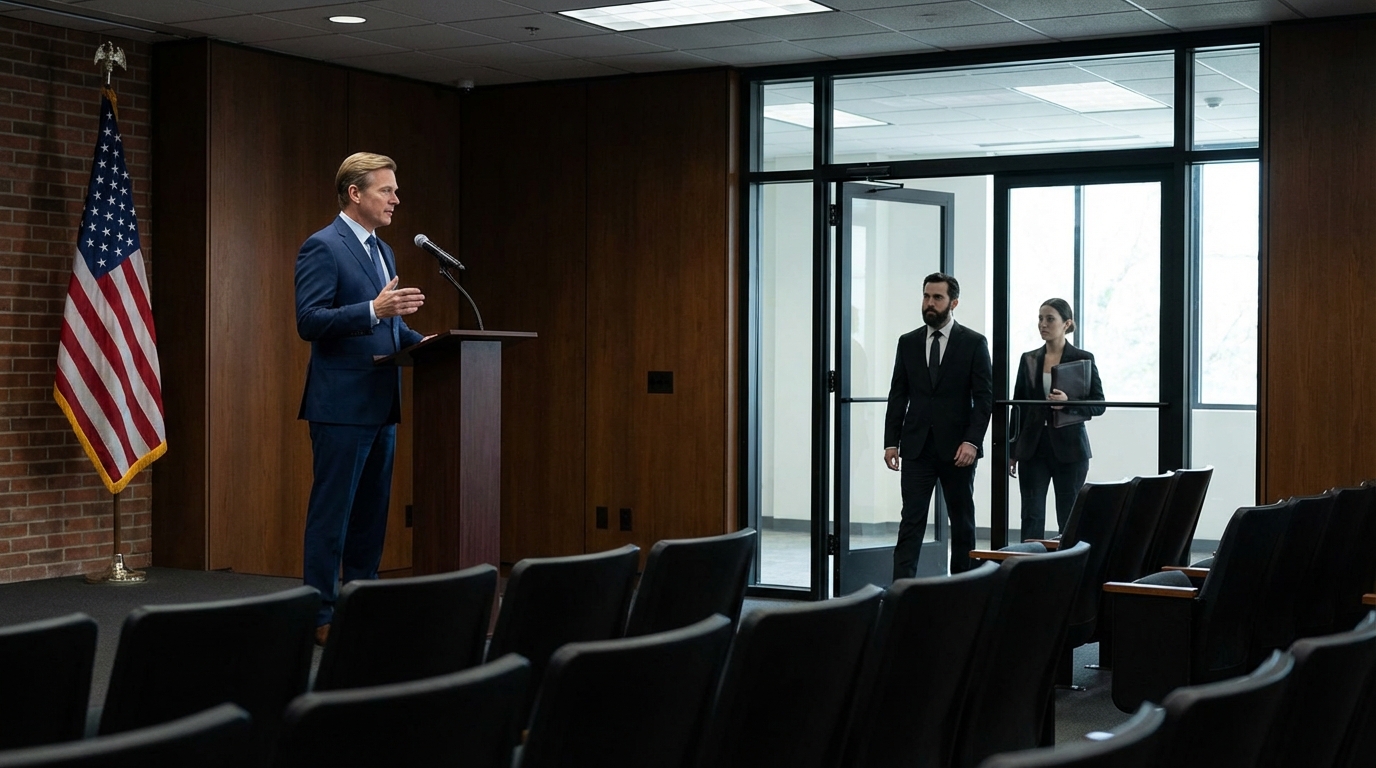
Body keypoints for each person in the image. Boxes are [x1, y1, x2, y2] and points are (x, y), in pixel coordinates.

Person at [295, 152, 427, 645]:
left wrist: (425, 342)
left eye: (395, 190)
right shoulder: (323, 247)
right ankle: (320, 614)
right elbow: (309, 321)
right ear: (355, 193)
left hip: (381, 402)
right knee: (333, 516)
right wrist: (373, 308)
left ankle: (360, 606)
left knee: (371, 517)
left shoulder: (384, 251)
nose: (396, 199)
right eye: (386, 190)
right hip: (341, 406)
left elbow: (390, 327)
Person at [884, 272, 993, 578]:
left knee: (962, 520)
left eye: (937, 297)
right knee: (911, 520)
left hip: (958, 449)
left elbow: (984, 398)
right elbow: (898, 394)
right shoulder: (908, 342)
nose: (929, 303)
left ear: (953, 302)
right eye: (926, 296)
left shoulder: (973, 343)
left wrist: (972, 442)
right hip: (917, 447)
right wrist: (891, 442)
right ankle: (901, 589)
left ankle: (962, 587)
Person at [1008, 298, 1105, 540]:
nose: (1043, 324)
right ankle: (1028, 562)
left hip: (1070, 450)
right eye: (1040, 318)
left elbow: (1099, 404)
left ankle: (1068, 562)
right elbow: (1018, 406)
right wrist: (1012, 450)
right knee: (1031, 515)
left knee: (1069, 516)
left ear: (1066, 323)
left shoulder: (1083, 358)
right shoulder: (1029, 359)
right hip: (1033, 447)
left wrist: (1069, 402)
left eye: (1050, 319)